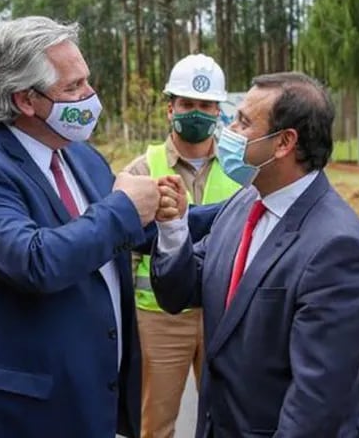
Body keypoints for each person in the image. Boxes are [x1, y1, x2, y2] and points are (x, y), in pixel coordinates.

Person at [0, 16, 184, 438]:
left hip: (83, 408)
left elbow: (123, 232)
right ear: (25, 100)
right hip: (8, 417)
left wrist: (213, 213)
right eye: (73, 88)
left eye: (87, 81)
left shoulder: (80, 157)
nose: (89, 96)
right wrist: (124, 208)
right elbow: (37, 260)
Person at [151, 72, 359, 437]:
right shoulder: (245, 202)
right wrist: (174, 226)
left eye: (242, 122)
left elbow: (315, 401)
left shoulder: (336, 247)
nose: (227, 130)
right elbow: (180, 292)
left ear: (284, 142)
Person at [122, 54, 239, 438]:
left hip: (223, 315)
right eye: (187, 104)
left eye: (205, 106)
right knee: (154, 425)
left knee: (228, 419)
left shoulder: (242, 171)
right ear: (170, 106)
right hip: (158, 320)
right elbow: (125, 248)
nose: (196, 113)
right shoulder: (142, 170)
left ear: (219, 111)